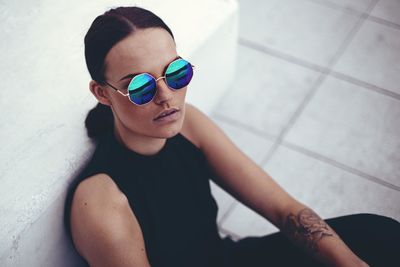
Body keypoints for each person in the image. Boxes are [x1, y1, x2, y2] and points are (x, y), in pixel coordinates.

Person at [64, 6, 400, 267]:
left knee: (381, 235)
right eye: (140, 86)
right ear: (103, 94)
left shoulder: (189, 125)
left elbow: (284, 210)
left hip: (230, 259)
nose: (166, 96)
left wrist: (350, 263)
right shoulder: (101, 203)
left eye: (175, 73)